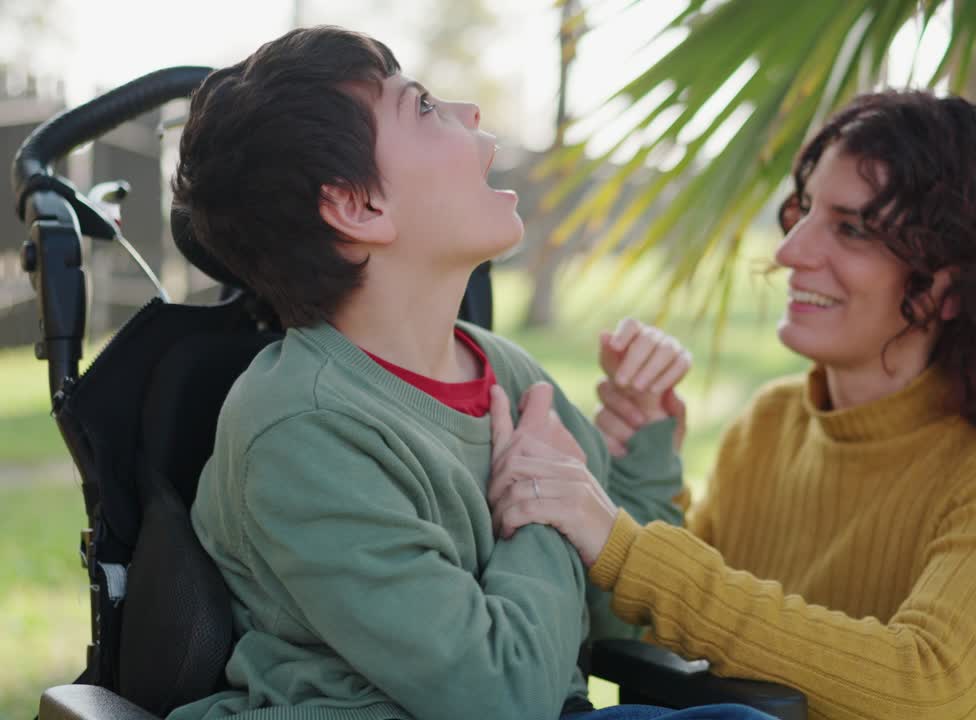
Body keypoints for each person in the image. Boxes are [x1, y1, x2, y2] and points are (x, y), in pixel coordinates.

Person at [164, 26, 771, 720]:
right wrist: (542, 509)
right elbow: (500, 700)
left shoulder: (504, 372)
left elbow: (623, 620)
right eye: (421, 106)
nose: (471, 113)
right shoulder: (301, 429)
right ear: (359, 207)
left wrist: (645, 442)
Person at [490, 90, 976, 720]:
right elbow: (661, 637)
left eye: (853, 229)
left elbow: (928, 688)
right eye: (805, 211)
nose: (790, 251)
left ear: (954, 284)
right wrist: (646, 462)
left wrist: (622, 544)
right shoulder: (771, 424)